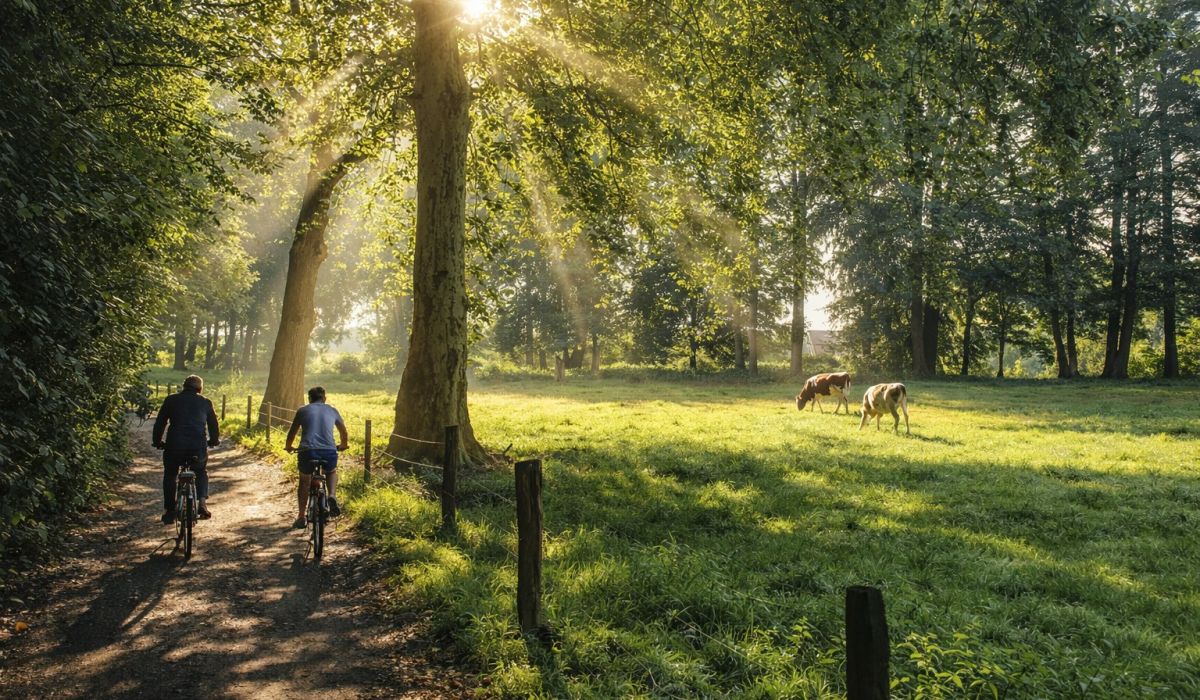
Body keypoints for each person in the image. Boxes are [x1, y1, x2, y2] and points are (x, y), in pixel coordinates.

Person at [152, 375, 220, 523]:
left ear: (183, 387)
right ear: (200, 389)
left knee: (170, 474)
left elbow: (160, 423)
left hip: (174, 446)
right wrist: (214, 441)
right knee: (200, 471)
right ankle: (202, 504)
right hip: (198, 446)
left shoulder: (171, 400)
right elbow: (213, 425)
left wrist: (157, 441)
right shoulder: (205, 402)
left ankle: (169, 511)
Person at [284, 386, 349, 529]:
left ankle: (301, 516)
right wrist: (343, 444)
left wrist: (289, 446)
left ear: (309, 399)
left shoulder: (303, 410)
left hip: (307, 451)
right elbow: (343, 431)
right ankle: (332, 495)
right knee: (331, 471)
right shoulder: (332, 410)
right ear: (324, 398)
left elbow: (292, 432)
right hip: (328, 451)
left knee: (304, 481)